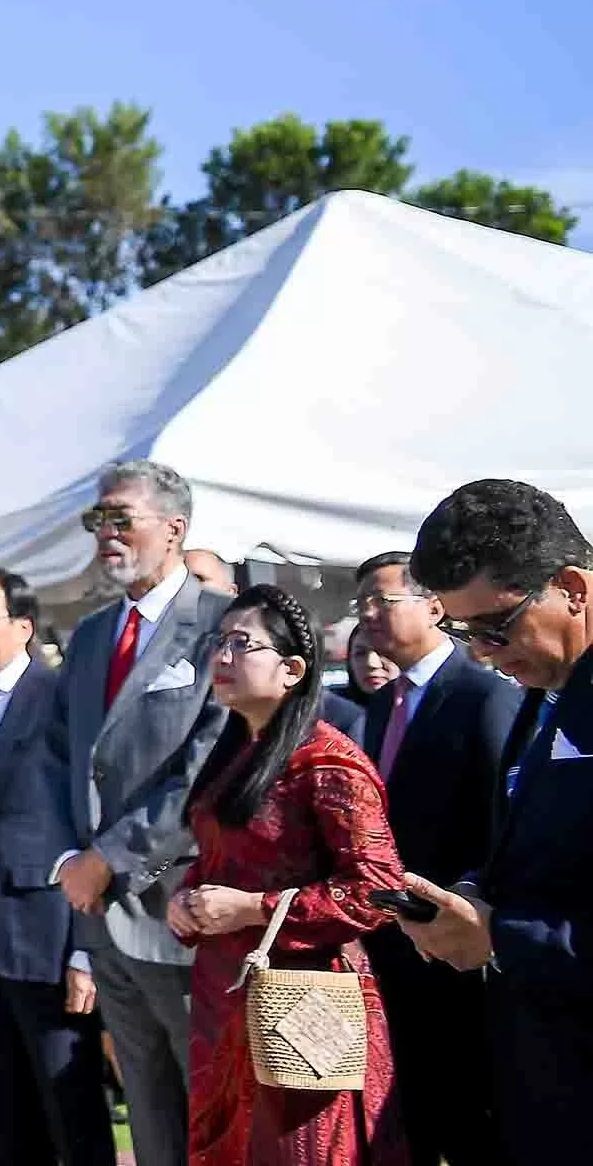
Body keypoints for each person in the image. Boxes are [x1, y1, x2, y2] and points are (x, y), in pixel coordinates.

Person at [165, 586, 405, 1164]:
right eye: (218, 642)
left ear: (293, 668)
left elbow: (377, 889)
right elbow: (224, 857)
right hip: (227, 1006)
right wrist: (186, 896)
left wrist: (253, 909)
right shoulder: (235, 757)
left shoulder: (329, 761)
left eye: (241, 644)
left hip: (304, 1006)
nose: (222, 658)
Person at [393, 480, 593, 1159]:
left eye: (493, 627)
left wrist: (501, 937)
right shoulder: (548, 688)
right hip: (540, 1081)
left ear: (571, 587)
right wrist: (469, 897)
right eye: (458, 630)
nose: (478, 651)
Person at [49, 460, 231, 1166]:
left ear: (175, 528)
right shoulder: (93, 635)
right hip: (100, 920)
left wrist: (111, 859)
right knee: (150, 1114)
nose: (105, 534)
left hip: (182, 915)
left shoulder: (224, 626)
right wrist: (73, 862)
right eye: (98, 520)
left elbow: (208, 769)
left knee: (212, 1112)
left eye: (121, 518)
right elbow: (63, 760)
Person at [0, 566, 116, 1166]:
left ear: (22, 626)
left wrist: (83, 949)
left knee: (71, 1113)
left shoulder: (60, 698)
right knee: (0, 1116)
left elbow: (86, 821)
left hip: (48, 938)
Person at [351, 549, 519, 1166]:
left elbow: (500, 818)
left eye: (383, 599)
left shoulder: (483, 694)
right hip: (390, 951)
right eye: (360, 603)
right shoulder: (373, 708)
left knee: (475, 1127)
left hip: (462, 954)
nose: (368, 614)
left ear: (435, 606)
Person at [344, 624, 399, 701]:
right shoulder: (330, 709)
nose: (371, 663)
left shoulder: (419, 709)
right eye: (360, 653)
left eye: (383, 651)